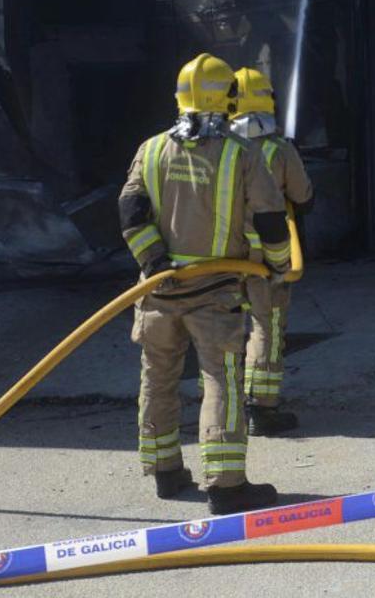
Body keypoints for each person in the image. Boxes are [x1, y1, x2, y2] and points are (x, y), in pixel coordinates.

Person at [118, 53, 292, 515]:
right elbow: (273, 221)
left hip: (156, 291)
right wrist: (276, 267)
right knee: (220, 381)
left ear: (180, 97)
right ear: (229, 99)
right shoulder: (242, 155)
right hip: (214, 294)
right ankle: (227, 485)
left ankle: (165, 471)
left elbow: (130, 213)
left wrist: (154, 261)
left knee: (157, 378)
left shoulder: (152, 148)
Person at [230, 68, 314, 436]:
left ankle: (223, 406)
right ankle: (262, 409)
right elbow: (303, 196)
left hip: (222, 257)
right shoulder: (280, 150)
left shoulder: (219, 151)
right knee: (267, 327)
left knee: (224, 328)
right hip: (269, 256)